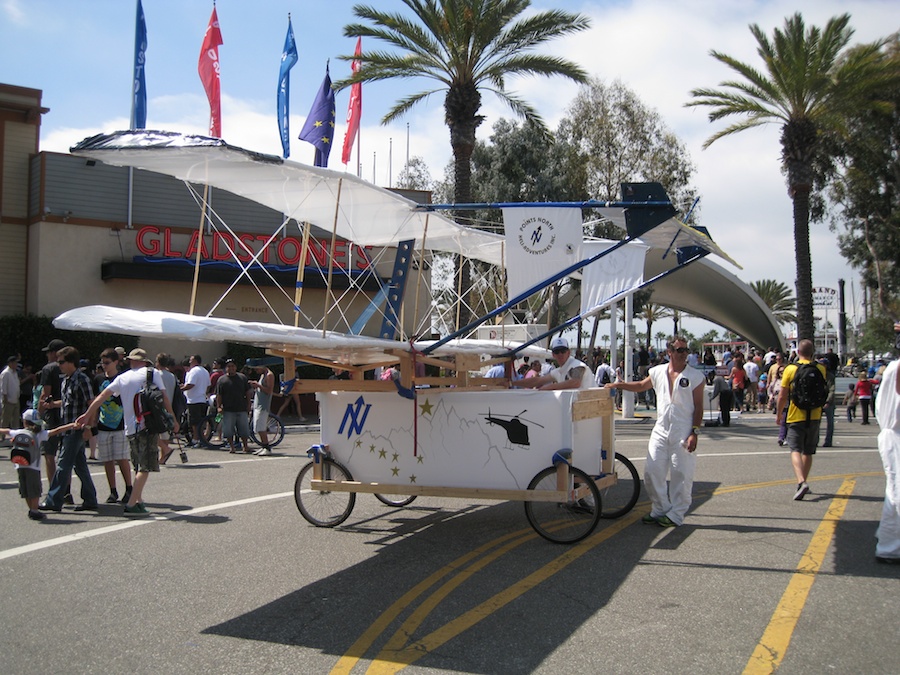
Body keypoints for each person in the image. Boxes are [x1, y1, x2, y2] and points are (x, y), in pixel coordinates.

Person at [605, 335, 704, 527]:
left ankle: (676, 514)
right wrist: (619, 385)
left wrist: (694, 432)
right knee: (652, 472)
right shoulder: (658, 371)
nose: (684, 354)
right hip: (661, 429)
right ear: (669, 352)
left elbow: (699, 407)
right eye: (679, 350)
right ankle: (660, 508)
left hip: (683, 430)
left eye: (686, 350)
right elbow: (642, 386)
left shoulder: (695, 376)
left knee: (681, 474)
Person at [79, 348, 178, 516]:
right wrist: (173, 419)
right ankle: (132, 504)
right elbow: (164, 397)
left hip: (130, 428)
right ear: (145, 362)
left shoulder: (122, 377)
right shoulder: (152, 373)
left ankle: (138, 501)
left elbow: (102, 396)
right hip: (147, 425)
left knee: (138, 465)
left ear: (131, 361)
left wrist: (87, 415)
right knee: (146, 466)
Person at [39, 346, 98, 512]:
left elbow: (91, 404)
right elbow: (67, 402)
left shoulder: (82, 379)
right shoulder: (66, 380)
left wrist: (88, 426)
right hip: (68, 430)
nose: (59, 365)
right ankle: (90, 499)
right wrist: (52, 404)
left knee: (63, 464)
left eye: (62, 362)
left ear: (72, 362)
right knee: (80, 466)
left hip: (77, 430)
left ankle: (53, 500)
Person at [776, 339, 827, 501]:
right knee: (809, 450)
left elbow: (783, 395)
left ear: (798, 352)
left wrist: (779, 415)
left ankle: (801, 481)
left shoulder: (790, 369)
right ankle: (804, 482)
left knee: (795, 448)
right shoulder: (820, 369)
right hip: (815, 414)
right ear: (813, 353)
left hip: (795, 414)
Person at [2, 409, 75, 521]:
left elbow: (5, 431)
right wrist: (71, 425)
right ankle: (34, 510)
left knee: (25, 489)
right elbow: (56, 431)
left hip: (20, 464)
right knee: (35, 489)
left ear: (24, 421)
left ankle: (31, 509)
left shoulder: (17, 432)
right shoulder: (39, 434)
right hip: (33, 466)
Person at [874, 323, 900, 564]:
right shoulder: (896, 369)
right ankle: (890, 544)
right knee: (897, 491)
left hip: (894, 434)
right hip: (895, 435)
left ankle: (890, 542)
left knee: (895, 491)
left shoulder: (893, 368)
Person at [94, 348, 133, 504]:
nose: (104, 365)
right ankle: (113, 490)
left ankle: (129, 488)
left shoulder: (122, 379)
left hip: (120, 424)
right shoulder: (98, 379)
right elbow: (95, 402)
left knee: (121, 457)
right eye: (102, 363)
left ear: (116, 362)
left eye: (107, 363)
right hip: (103, 424)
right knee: (107, 459)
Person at [37, 339, 66, 491]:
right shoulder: (72, 367)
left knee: (49, 454)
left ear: (55, 353)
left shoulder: (49, 368)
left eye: (49, 352)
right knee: (66, 454)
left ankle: (54, 490)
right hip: (67, 413)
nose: (47, 355)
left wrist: (37, 414)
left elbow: (45, 394)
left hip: (51, 414)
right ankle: (66, 490)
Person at [511, 337, 593, 390]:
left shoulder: (577, 365)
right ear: (553, 354)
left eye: (563, 351)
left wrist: (548, 388)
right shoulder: (557, 372)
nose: (560, 354)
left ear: (568, 352)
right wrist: (512, 383)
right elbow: (537, 381)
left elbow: (575, 382)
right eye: (557, 351)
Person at [215, 359, 252, 454]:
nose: (231, 368)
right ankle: (232, 447)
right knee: (228, 430)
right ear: (226, 368)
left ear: (236, 367)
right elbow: (219, 395)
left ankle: (245, 446)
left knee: (244, 429)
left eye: (233, 366)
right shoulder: (221, 380)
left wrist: (249, 405)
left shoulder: (242, 378)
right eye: (229, 366)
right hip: (228, 409)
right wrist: (219, 406)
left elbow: (248, 392)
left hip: (241, 408)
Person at [181, 354, 210, 447]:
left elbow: (190, 384)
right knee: (201, 421)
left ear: (196, 361)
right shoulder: (205, 371)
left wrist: (180, 389)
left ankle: (196, 439)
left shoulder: (193, 371)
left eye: (191, 360)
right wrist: (203, 392)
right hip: (202, 399)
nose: (189, 362)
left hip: (193, 400)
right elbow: (208, 386)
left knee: (194, 422)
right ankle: (201, 439)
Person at [248, 361, 275, 455]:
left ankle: (267, 448)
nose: (256, 370)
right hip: (258, 404)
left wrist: (258, 385)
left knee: (261, 428)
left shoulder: (269, 375)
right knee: (258, 427)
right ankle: (263, 446)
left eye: (256, 368)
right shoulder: (263, 375)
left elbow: (269, 391)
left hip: (263, 406)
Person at [819, 355, 836, 447]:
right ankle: (814, 440)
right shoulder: (817, 374)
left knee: (830, 423)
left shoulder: (830, 376)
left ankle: (828, 441)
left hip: (829, 402)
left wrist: (828, 401)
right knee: (816, 423)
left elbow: (832, 390)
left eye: (822, 364)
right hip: (818, 401)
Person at [1, 355, 21, 429]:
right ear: (10, 363)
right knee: (5, 419)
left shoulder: (15, 372)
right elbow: (3, 387)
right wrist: (5, 399)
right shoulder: (6, 373)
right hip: (8, 400)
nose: (16, 365)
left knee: (15, 420)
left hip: (15, 399)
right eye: (15, 363)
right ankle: (1, 436)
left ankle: (15, 435)